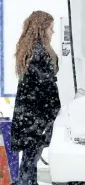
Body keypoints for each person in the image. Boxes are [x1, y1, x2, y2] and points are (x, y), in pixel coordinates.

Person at [11, 11, 61, 185]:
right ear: (42, 29)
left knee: (29, 161)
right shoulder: (41, 53)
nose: (52, 32)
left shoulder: (30, 51)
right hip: (37, 116)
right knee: (29, 162)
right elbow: (46, 87)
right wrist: (54, 111)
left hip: (28, 115)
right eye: (50, 28)